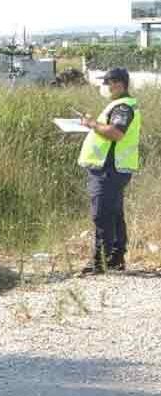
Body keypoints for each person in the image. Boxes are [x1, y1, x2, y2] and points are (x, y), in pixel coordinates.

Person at [78, 68, 142, 274]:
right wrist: (93, 124)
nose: (104, 87)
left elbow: (115, 133)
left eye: (108, 82)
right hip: (111, 168)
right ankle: (115, 258)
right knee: (113, 213)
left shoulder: (123, 107)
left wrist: (92, 124)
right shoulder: (119, 105)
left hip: (110, 169)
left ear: (119, 84)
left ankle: (101, 261)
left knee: (102, 214)